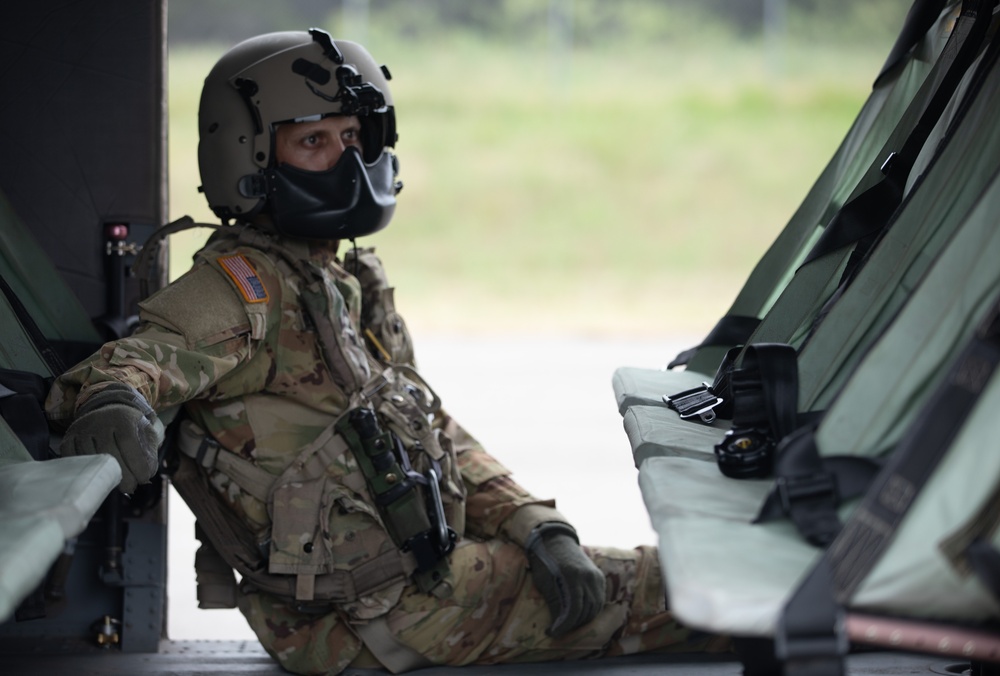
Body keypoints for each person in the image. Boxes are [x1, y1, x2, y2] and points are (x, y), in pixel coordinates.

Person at [44, 29, 726, 674]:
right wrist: (113, 396)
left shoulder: (334, 280)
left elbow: (425, 426)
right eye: (314, 142)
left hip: (410, 584)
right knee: (691, 592)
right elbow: (145, 358)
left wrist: (533, 522)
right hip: (360, 620)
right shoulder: (245, 289)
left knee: (676, 582)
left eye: (354, 138)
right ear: (247, 159)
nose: (347, 162)